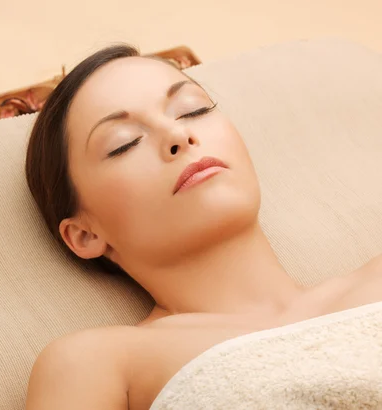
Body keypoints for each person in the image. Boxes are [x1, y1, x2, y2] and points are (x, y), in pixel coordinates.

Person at [23, 45, 382, 409]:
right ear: (85, 234)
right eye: (124, 144)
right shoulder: (100, 363)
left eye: (192, 110)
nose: (178, 136)